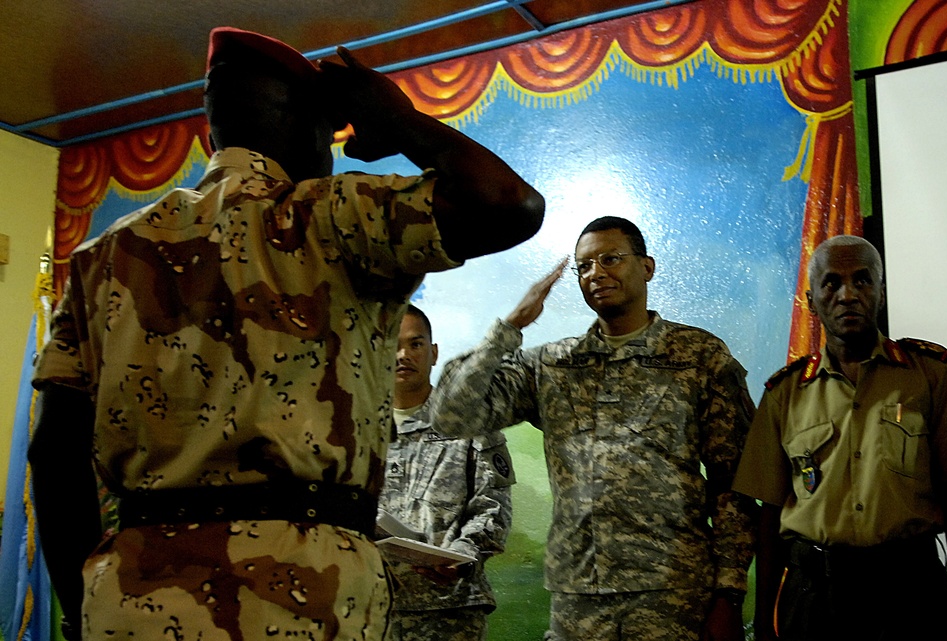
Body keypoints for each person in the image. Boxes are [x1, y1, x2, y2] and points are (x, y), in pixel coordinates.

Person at [27, 26, 544, 641]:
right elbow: (510, 205)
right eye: (329, 135)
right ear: (302, 127)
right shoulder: (331, 215)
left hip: (133, 596)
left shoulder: (103, 255)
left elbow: (54, 454)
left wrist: (80, 612)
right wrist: (399, 121)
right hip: (301, 593)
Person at [429, 216, 757, 641]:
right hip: (579, 596)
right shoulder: (552, 365)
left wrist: (729, 592)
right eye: (584, 266)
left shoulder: (698, 356)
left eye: (610, 259)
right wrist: (509, 328)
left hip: (671, 592)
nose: (596, 273)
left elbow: (734, 482)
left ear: (647, 267)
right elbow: (451, 415)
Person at [733, 234, 947, 641]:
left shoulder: (931, 374)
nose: (847, 294)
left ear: (881, 292)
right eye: (831, 283)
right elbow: (768, 518)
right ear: (811, 298)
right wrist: (765, 623)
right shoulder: (784, 394)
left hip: (910, 593)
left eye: (862, 280)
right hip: (814, 600)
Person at [379, 304, 514, 641]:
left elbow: (493, 507)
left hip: (448, 613)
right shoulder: (352, 428)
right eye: (392, 344)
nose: (403, 355)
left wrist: (465, 554)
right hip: (367, 608)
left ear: (434, 352)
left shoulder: (472, 423)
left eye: (415, 344)